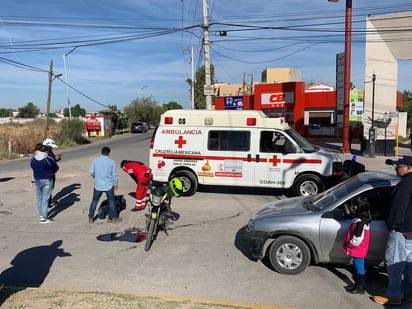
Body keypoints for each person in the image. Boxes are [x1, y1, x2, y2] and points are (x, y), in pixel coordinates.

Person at [373, 155, 412, 305]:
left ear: (408, 168)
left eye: (399, 166)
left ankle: (394, 296)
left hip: (402, 232)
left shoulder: (406, 184)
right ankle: (409, 293)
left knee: (395, 264)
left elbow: (398, 207)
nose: (396, 169)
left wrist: (392, 226)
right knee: (409, 265)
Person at [341, 196, 371, 294]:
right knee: (357, 265)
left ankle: (359, 287)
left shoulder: (360, 223)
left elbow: (358, 238)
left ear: (358, 207)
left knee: (359, 266)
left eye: (353, 206)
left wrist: (350, 244)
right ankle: (357, 285)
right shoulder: (364, 218)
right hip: (359, 249)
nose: (352, 208)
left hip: (358, 249)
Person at [88, 146, 121, 223]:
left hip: (98, 185)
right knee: (111, 201)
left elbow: (91, 172)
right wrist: (115, 184)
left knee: (94, 201)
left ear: (101, 153)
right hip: (108, 185)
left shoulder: (95, 161)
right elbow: (114, 174)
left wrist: (95, 176)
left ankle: (91, 218)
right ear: (109, 153)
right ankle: (114, 218)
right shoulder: (112, 162)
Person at [30, 143, 59, 224]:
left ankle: (41, 215)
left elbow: (33, 168)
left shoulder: (33, 159)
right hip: (47, 180)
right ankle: (43, 217)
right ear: (45, 151)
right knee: (45, 198)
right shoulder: (49, 159)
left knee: (39, 197)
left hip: (37, 180)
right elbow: (55, 168)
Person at [43, 138, 61, 207]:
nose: (52, 148)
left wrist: (56, 159)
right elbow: (50, 161)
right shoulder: (46, 153)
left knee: (49, 188)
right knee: (48, 188)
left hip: (48, 173)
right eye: (51, 147)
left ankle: (49, 200)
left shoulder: (47, 152)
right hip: (49, 173)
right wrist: (55, 159)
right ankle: (47, 202)